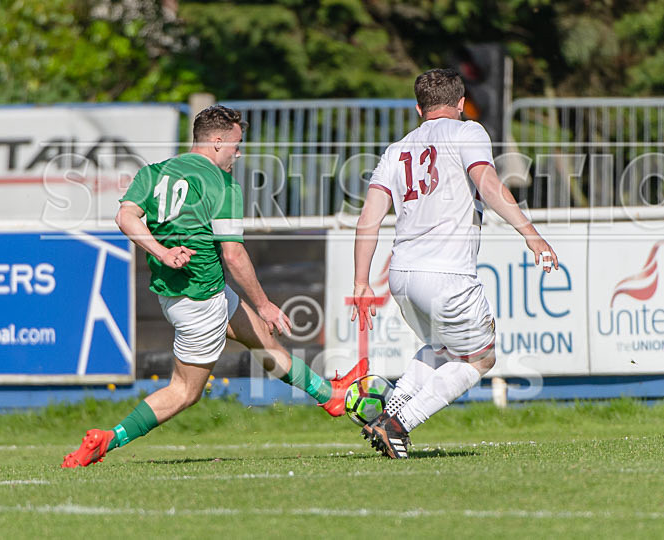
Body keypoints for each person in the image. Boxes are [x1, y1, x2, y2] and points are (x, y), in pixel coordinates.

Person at [62, 105, 366, 468]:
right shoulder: (222, 185)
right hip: (201, 301)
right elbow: (234, 255)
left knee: (261, 339)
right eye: (236, 145)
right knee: (184, 391)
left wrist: (161, 251)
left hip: (188, 292)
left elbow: (125, 216)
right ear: (217, 141)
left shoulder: (155, 172)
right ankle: (108, 439)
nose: (238, 153)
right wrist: (266, 303)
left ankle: (330, 396)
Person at [351, 69, 558, 459]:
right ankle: (400, 423)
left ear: (418, 108)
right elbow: (488, 183)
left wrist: (361, 281)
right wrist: (531, 234)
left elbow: (368, 219)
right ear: (461, 105)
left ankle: (389, 410)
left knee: (441, 348)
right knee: (481, 358)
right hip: (447, 274)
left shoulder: (396, 151)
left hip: (400, 276)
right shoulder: (468, 132)